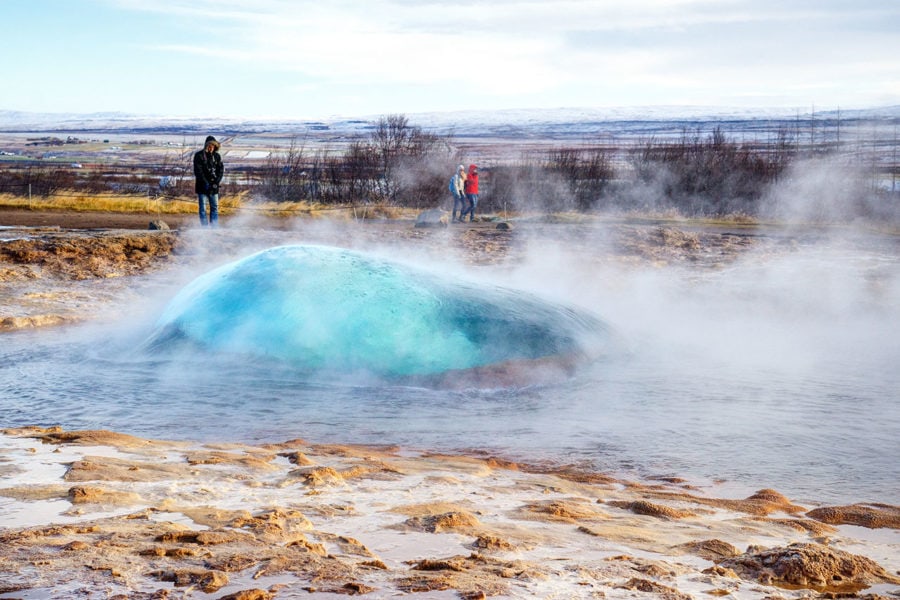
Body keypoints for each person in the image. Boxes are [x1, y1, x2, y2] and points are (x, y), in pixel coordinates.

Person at [193, 135, 224, 226]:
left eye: (213, 146)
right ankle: (205, 228)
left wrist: (216, 182)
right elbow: (198, 172)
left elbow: (220, 170)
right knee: (203, 208)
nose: (211, 148)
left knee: (214, 208)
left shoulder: (217, 156)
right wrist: (206, 183)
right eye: (209, 145)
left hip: (214, 187)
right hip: (202, 186)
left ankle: (214, 227)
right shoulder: (199, 156)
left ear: (215, 147)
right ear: (206, 145)